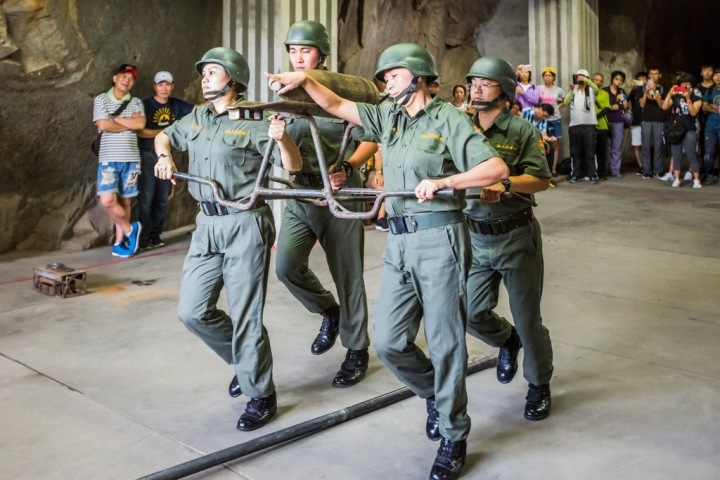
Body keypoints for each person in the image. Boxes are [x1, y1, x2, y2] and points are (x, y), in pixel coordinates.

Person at [267, 42, 509, 480]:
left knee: (445, 341)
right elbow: (338, 104)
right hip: (397, 242)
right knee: (393, 343)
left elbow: (495, 169)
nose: (386, 82)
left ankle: (454, 435)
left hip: (440, 238)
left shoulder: (449, 119)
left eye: (393, 75)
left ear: (416, 76)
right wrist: (304, 81)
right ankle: (434, 392)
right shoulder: (388, 116)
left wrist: (445, 181)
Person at [153, 47, 302, 432]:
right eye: (203, 72)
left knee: (246, 313)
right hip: (206, 225)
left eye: (213, 72)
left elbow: (293, 166)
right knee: (192, 310)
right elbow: (164, 139)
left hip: (244, 222)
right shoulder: (196, 118)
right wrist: (166, 155)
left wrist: (282, 138)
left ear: (233, 79)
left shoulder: (257, 120)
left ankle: (261, 393)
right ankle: (246, 361)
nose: (204, 77)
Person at [274, 20, 375, 388]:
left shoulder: (343, 92)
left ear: (321, 54)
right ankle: (328, 311)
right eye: (293, 51)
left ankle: (356, 349)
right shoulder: (283, 94)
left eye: (306, 51)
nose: (299, 58)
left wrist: (349, 165)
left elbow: (371, 137)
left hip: (342, 195)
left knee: (348, 275)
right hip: (301, 194)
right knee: (286, 266)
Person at [463, 56, 554, 423]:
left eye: (486, 83)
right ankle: (507, 340)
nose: (477, 88)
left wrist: (504, 184)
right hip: (474, 237)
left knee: (528, 317)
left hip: (516, 236)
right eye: (473, 82)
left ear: (505, 91)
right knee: (470, 311)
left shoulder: (520, 131)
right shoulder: (459, 127)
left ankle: (538, 384)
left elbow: (541, 179)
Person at [92, 63, 146, 257]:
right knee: (107, 200)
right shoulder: (101, 99)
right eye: (123, 76)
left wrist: (117, 119)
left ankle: (120, 242)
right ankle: (132, 230)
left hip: (131, 158)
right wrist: (127, 123)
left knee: (126, 202)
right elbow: (103, 124)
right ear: (115, 78)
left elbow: (140, 124)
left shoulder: (137, 102)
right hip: (108, 159)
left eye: (131, 78)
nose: (127, 80)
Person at [137, 71, 194, 250]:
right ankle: (143, 238)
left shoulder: (176, 104)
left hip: (167, 156)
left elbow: (197, 109)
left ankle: (155, 235)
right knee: (146, 198)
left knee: (162, 198)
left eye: (167, 84)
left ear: (172, 86)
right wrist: (168, 132)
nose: (164, 88)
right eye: (160, 84)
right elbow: (141, 131)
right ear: (155, 86)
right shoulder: (145, 105)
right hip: (148, 155)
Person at [663, 73, 702, 188]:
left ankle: (696, 180)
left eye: (688, 84)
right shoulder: (675, 97)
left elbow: (693, 112)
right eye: (683, 84)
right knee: (676, 154)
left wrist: (688, 98)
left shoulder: (697, 98)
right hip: (676, 130)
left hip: (689, 129)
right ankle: (677, 178)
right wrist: (670, 94)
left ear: (692, 86)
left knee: (691, 154)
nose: (685, 86)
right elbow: (664, 107)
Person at [563, 69, 600, 183]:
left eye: (582, 76)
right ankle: (575, 175)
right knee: (575, 152)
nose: (579, 78)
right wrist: (571, 90)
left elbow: (596, 89)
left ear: (587, 78)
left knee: (590, 152)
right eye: (578, 76)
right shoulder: (574, 90)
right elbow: (565, 102)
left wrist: (586, 81)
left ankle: (592, 174)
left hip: (589, 125)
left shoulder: (591, 90)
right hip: (575, 125)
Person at [639, 67, 667, 178]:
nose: (653, 76)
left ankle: (658, 170)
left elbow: (662, 105)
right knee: (645, 146)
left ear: (660, 75)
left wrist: (655, 90)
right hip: (646, 119)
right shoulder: (642, 88)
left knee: (658, 146)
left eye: (656, 73)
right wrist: (646, 90)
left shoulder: (664, 88)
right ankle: (646, 170)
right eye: (651, 74)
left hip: (659, 120)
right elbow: (642, 104)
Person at [538, 66, 566, 176]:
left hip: (555, 119)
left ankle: (553, 169)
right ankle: (543, 168)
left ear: (554, 78)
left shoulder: (558, 90)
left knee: (555, 144)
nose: (547, 77)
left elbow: (565, 100)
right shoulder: (538, 88)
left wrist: (558, 107)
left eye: (550, 75)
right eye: (545, 75)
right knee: (541, 144)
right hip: (542, 119)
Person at [603, 71, 629, 178]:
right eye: (616, 79)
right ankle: (603, 169)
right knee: (605, 146)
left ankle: (615, 170)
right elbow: (601, 104)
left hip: (618, 121)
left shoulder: (621, 91)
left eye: (621, 80)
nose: (618, 82)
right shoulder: (604, 91)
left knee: (616, 146)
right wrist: (611, 106)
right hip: (606, 120)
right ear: (612, 79)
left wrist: (622, 100)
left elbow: (625, 106)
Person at [702, 67, 720, 185]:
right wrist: (713, 108)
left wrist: (716, 107)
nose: (718, 77)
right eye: (716, 75)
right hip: (711, 126)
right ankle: (709, 174)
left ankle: (716, 173)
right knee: (709, 152)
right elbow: (704, 107)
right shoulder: (709, 91)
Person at [593, 72, 612, 180]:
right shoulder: (587, 92)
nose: (598, 82)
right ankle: (591, 171)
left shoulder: (604, 93)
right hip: (590, 125)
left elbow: (606, 108)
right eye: (596, 80)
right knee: (591, 150)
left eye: (600, 81)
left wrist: (595, 117)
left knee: (601, 150)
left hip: (602, 125)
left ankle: (601, 172)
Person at [628, 72, 648, 175]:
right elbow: (625, 100)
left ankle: (647, 165)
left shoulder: (649, 91)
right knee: (637, 145)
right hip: (636, 120)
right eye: (639, 79)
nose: (641, 81)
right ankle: (640, 166)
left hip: (647, 120)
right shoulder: (634, 91)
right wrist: (630, 88)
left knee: (647, 144)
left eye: (643, 79)